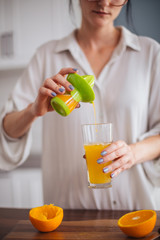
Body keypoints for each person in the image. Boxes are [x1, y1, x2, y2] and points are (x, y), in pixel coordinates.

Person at [0, 0, 160, 210]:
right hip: (67, 213)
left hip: (135, 211)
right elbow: (6, 132)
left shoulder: (149, 53)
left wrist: (132, 152)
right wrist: (33, 111)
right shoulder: (46, 55)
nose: (104, 2)